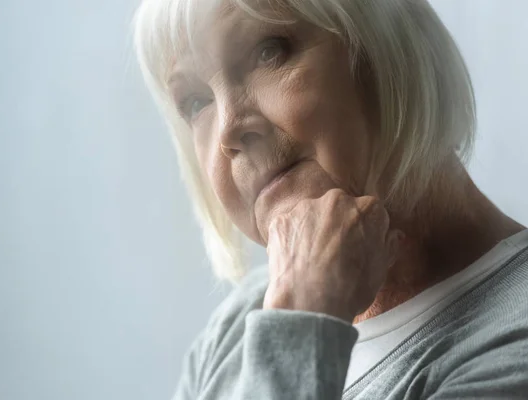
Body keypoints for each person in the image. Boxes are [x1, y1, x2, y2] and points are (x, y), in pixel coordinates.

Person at [133, 0, 528, 398]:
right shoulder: (235, 329)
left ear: (391, 45)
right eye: (197, 103)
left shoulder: (513, 338)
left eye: (268, 51)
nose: (228, 132)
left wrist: (300, 324)